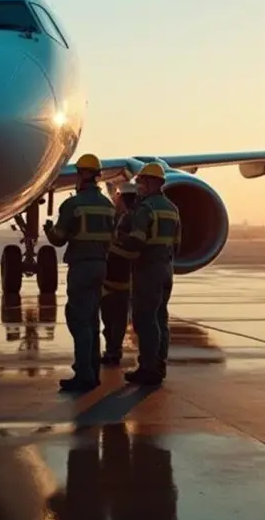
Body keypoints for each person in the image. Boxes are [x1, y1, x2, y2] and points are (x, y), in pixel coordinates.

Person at [43, 153, 116, 391]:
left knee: (79, 320)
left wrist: (49, 230)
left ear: (84, 174)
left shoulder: (73, 205)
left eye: (78, 173)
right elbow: (113, 237)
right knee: (93, 319)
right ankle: (93, 372)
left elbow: (59, 239)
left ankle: (84, 374)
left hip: (82, 266)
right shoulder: (108, 205)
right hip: (101, 265)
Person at [114, 161, 179, 386]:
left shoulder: (146, 209)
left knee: (145, 320)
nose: (139, 186)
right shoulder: (172, 209)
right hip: (166, 269)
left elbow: (137, 241)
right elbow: (177, 244)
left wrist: (118, 241)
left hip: (147, 270)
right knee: (161, 318)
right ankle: (159, 365)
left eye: (141, 181)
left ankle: (148, 368)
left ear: (151, 183)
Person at [99, 181, 138, 365]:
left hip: (117, 274)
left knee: (112, 316)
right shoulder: (125, 218)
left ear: (121, 198)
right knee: (116, 317)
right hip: (121, 275)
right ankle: (113, 350)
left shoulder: (127, 220)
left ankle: (113, 350)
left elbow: (126, 247)